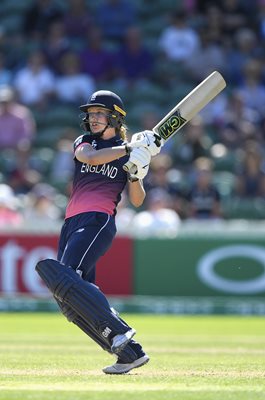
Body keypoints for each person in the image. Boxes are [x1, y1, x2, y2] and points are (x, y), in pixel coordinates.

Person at [36, 90, 162, 375]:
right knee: (67, 297)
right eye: (90, 114)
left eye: (99, 114)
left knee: (67, 277)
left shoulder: (128, 153)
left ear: (115, 118)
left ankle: (120, 332)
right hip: (71, 222)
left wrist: (137, 173)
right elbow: (90, 158)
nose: (92, 119)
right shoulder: (87, 142)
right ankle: (130, 353)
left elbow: (138, 200)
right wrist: (131, 149)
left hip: (98, 220)